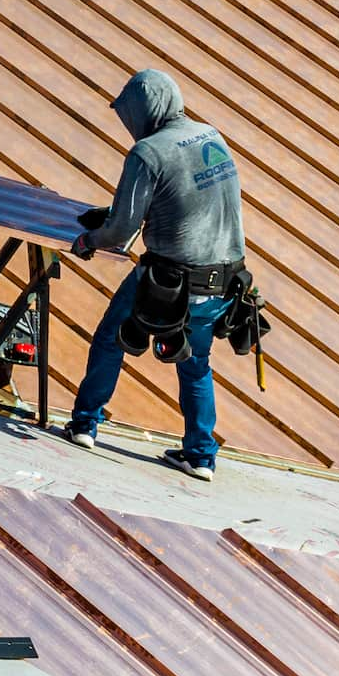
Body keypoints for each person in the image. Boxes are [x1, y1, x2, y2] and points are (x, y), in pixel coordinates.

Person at [62, 69, 245, 481]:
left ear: (144, 110)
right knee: (196, 363)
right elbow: (186, 199)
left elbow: (123, 230)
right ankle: (200, 456)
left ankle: (84, 424)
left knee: (111, 338)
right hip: (221, 283)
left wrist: (89, 241)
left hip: (166, 280)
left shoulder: (148, 152)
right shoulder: (210, 136)